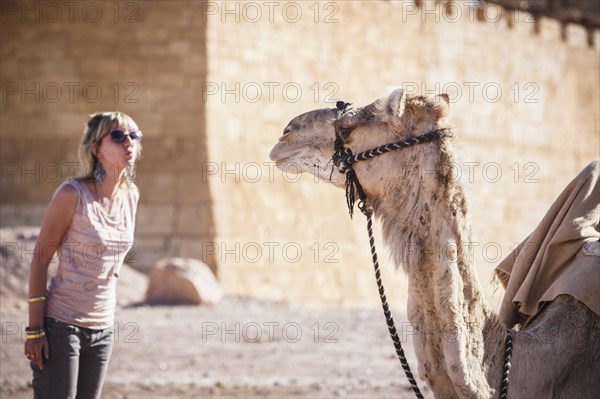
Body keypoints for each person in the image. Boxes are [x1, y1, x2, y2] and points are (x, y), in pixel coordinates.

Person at [24, 111, 142, 398]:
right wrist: (35, 330)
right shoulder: (71, 194)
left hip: (103, 329)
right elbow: (40, 258)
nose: (128, 142)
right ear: (96, 149)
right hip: (61, 325)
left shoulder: (131, 196)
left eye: (133, 135)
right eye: (117, 135)